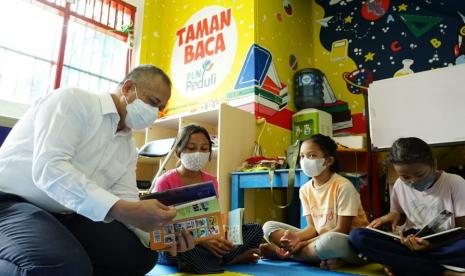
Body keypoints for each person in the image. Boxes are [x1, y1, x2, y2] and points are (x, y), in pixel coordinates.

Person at [0, 65, 194, 276]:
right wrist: (121, 209)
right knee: (60, 266)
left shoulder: (127, 147)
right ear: (128, 88)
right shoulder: (72, 101)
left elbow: (126, 198)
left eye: (160, 108)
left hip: (67, 212)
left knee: (140, 257)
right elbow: (50, 168)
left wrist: (162, 232)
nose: (154, 113)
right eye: (152, 102)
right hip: (10, 203)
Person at [154, 124, 263, 274]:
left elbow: (212, 218)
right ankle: (230, 259)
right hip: (177, 243)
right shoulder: (164, 182)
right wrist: (202, 240)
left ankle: (214, 260)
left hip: (206, 240)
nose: (198, 153)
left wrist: (221, 235)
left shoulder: (211, 181)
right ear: (178, 151)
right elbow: (160, 227)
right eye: (191, 148)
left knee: (255, 229)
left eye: (204, 149)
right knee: (184, 250)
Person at [349, 137, 465, 276]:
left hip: (444, 245)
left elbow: (462, 230)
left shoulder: (454, 182)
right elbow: (399, 215)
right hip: (409, 244)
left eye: (419, 174)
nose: (413, 181)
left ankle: (402, 264)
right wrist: (392, 216)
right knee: (358, 236)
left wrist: (431, 245)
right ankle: (443, 272)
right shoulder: (399, 185)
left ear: (433, 164)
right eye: (405, 177)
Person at [260, 134, 369, 269]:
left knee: (328, 242)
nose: (305, 160)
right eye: (302, 156)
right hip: (318, 240)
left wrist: (301, 243)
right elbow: (312, 228)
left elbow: (342, 230)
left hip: (350, 244)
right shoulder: (305, 190)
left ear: (328, 161)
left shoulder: (343, 186)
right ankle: (310, 256)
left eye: (311, 155)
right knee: (268, 227)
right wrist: (294, 239)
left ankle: (282, 254)